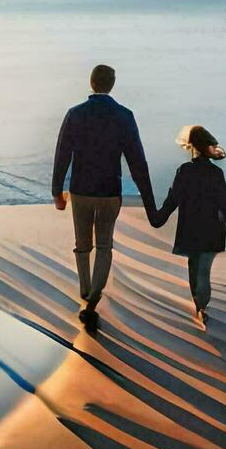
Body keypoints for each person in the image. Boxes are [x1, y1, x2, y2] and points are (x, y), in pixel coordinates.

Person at [51, 64, 155, 329]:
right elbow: (137, 161)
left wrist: (56, 191)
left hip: (81, 190)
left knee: (82, 244)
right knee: (105, 244)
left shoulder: (75, 114)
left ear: (91, 82)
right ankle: (93, 297)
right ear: (112, 84)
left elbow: (62, 154)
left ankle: (85, 290)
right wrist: (148, 198)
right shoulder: (124, 116)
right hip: (110, 190)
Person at [146, 125, 226, 328]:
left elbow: (173, 200)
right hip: (213, 230)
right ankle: (201, 307)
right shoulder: (216, 173)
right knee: (203, 271)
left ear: (191, 147)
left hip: (190, 228)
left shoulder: (184, 171)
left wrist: (158, 218)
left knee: (194, 267)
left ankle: (198, 304)